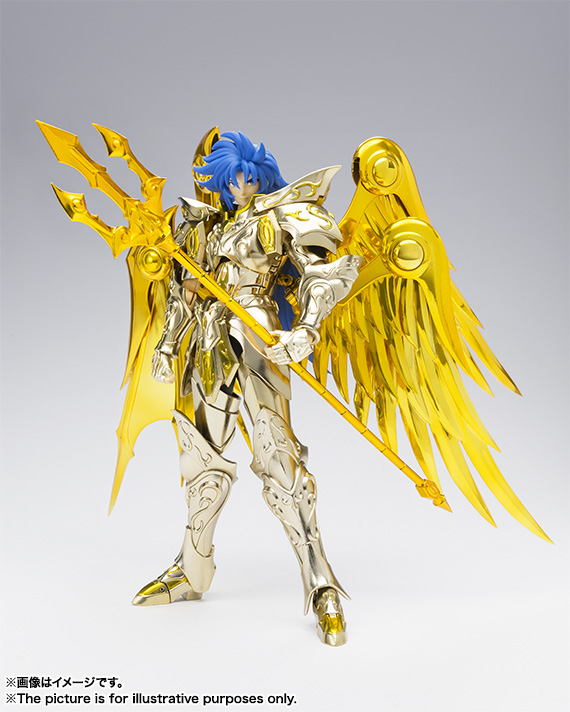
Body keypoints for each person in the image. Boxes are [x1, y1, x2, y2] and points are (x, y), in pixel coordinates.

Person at [132, 130, 362, 646]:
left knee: (279, 460)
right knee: (200, 458)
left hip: (257, 337)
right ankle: (193, 569)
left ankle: (321, 584)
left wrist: (306, 329)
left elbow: (323, 274)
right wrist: (167, 345)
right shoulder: (203, 227)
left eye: (250, 179)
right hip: (207, 343)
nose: (242, 188)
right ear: (218, 181)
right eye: (233, 180)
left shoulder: (280, 216)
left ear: (262, 178)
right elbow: (185, 292)